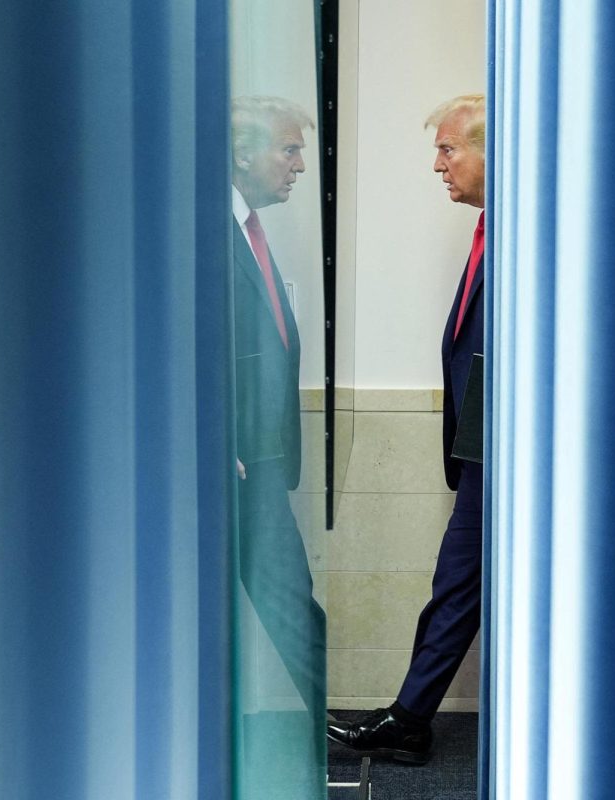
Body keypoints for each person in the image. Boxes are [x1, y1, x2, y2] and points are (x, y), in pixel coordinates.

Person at [327, 94, 487, 765]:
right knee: (455, 587)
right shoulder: (493, 231)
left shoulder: (539, 236)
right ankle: (410, 717)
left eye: (448, 149)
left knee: (457, 586)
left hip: (510, 456)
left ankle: (410, 719)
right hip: (485, 453)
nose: (437, 165)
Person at [231, 95, 327, 790]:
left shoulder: (247, 231)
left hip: (257, 463)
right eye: (289, 150)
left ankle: (316, 740)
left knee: (291, 601)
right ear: (243, 153)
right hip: (224, 465)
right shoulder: (199, 231)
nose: (300, 164)